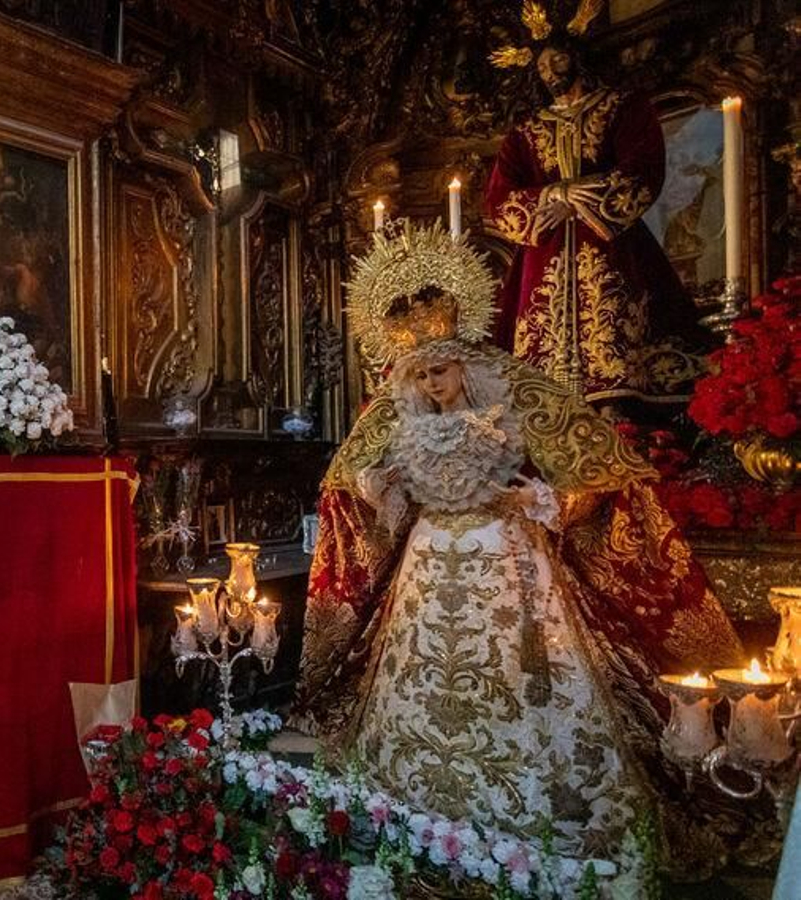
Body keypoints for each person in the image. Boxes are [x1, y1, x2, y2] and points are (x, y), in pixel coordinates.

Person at [294, 221, 743, 875]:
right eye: (418, 374)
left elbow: (593, 476)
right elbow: (353, 484)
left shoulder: (517, 388)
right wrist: (380, 485)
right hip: (427, 564)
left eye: (439, 371)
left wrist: (529, 501)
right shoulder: (395, 402)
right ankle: (417, 800)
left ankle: (536, 808)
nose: (428, 386)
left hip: (508, 563)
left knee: (522, 681)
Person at [484, 6, 707, 407]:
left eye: (558, 59)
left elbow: (642, 168)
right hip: (545, 256)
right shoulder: (527, 131)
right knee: (537, 369)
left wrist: (575, 199)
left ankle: (623, 420)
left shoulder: (620, 108)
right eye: (542, 65)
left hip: (609, 245)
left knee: (619, 334)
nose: (550, 71)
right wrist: (552, 196)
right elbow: (498, 199)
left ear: (577, 56)